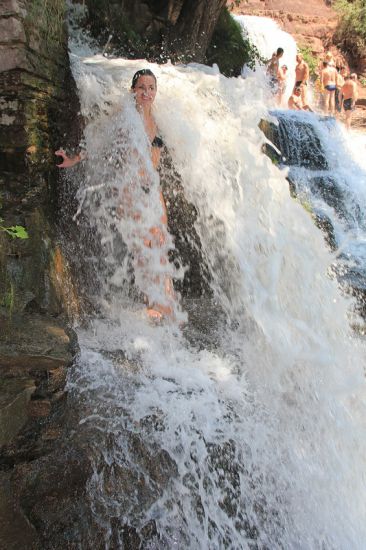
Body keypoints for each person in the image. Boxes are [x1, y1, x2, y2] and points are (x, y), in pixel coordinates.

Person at [55, 69, 176, 321]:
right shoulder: (125, 115)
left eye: (151, 87)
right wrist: (74, 158)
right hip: (129, 188)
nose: (146, 92)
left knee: (160, 243)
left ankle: (167, 303)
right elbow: (99, 140)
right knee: (144, 246)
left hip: (152, 188)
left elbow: (155, 158)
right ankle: (152, 305)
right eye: (141, 87)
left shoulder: (158, 118)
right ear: (133, 90)